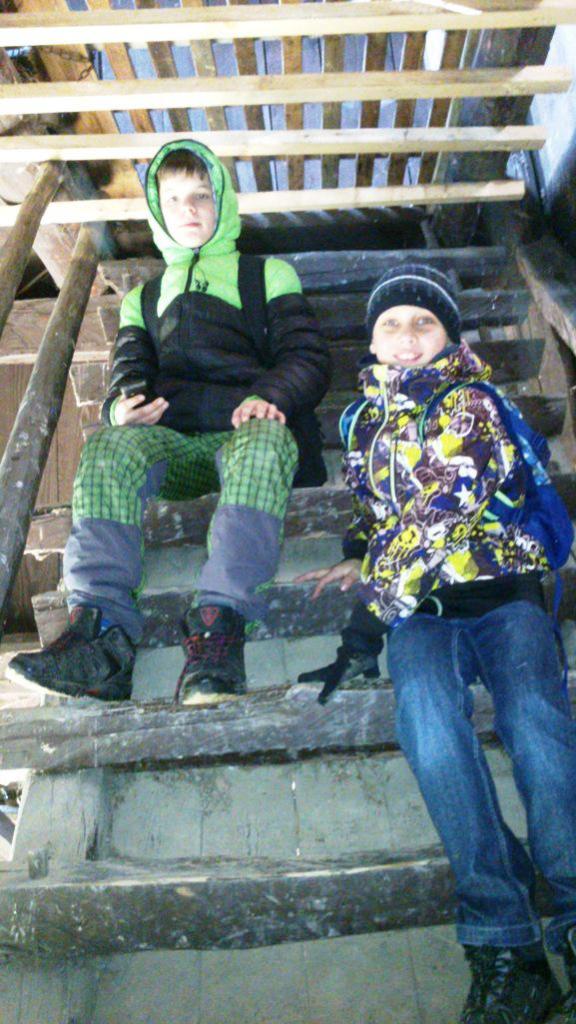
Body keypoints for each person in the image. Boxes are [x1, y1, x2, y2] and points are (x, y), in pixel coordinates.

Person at [296, 263, 576, 1024]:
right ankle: (505, 941)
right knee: (429, 729)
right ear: (373, 342)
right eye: (391, 324)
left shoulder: (472, 401)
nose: (407, 335)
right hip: (420, 610)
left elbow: (438, 517)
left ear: (450, 337)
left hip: (501, 592)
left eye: (424, 322)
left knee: (536, 726)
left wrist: (367, 618)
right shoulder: (363, 421)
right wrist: (359, 553)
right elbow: (377, 510)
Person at [8, 139, 330, 705]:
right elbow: (128, 374)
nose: (189, 210)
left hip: (249, 435)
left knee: (264, 442)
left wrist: (269, 396)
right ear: (157, 210)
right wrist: (122, 408)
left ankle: (219, 629)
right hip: (176, 447)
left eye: (201, 195)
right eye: (174, 199)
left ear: (222, 202)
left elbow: (307, 357)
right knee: (108, 446)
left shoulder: (266, 274)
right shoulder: (144, 298)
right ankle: (101, 637)